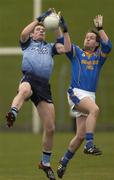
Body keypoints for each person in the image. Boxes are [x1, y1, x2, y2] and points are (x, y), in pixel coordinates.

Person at [6, 9, 66, 180]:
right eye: (38, 30)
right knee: (24, 90)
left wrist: (57, 25)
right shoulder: (27, 43)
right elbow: (23, 33)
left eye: (43, 30)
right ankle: (13, 113)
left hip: (44, 86)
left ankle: (45, 163)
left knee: (50, 128)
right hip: (29, 78)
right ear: (33, 35)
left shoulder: (50, 48)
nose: (41, 31)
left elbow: (64, 47)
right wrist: (39, 20)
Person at [57, 15, 112, 178]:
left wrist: (100, 29)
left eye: (91, 38)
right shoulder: (77, 53)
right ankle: (90, 145)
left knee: (80, 135)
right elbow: (65, 47)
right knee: (95, 110)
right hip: (77, 92)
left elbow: (108, 45)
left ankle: (63, 161)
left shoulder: (98, 57)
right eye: (86, 37)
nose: (87, 39)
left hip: (89, 96)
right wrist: (64, 29)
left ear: (96, 44)